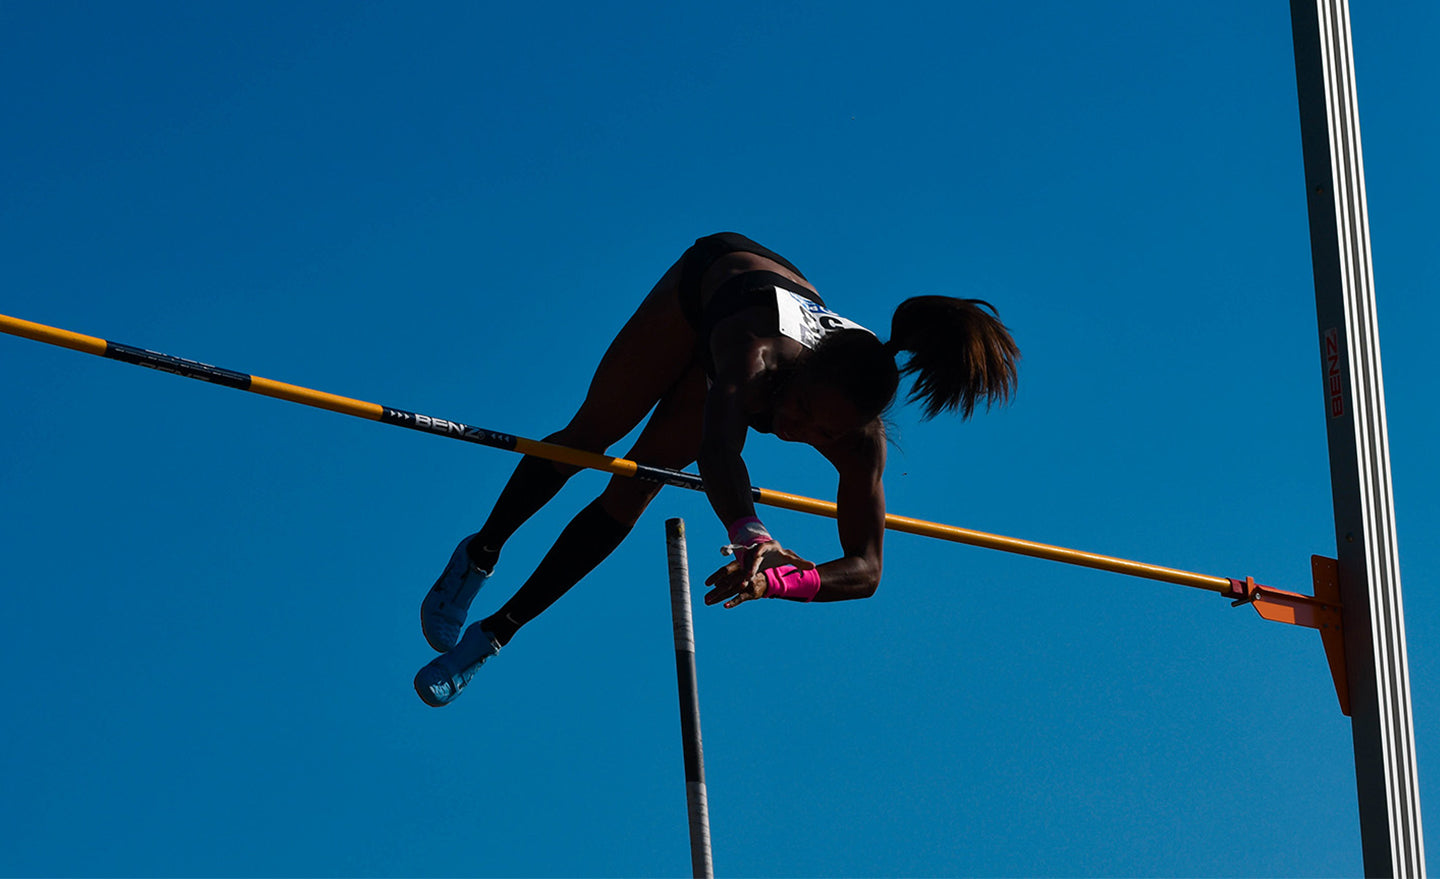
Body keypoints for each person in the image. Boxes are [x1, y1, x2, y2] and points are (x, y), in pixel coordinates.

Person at [414, 232, 1019, 707]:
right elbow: (718, 448)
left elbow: (866, 570)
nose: (798, 433)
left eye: (821, 434)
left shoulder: (860, 445)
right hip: (709, 286)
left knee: (634, 490)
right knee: (595, 434)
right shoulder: (755, 352)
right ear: (796, 373)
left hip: (753, 336)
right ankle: (482, 553)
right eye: (802, 410)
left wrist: (777, 580)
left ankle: (496, 633)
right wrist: (752, 534)